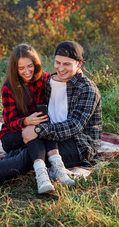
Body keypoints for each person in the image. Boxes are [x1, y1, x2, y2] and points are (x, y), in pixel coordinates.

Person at [0, 43, 75, 201]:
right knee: (37, 132)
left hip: (37, 134)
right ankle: (51, 170)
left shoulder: (45, 79)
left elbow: (61, 77)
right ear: (15, 69)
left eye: (30, 66)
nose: (27, 72)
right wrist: (27, 121)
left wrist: (76, 73)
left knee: (24, 156)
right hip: (12, 136)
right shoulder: (9, 87)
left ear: (35, 64)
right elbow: (10, 121)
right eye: (22, 68)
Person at [22, 40, 102, 173]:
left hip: (79, 145)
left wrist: (38, 130)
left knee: (25, 158)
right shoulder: (50, 82)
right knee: (20, 149)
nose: (61, 68)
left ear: (79, 64)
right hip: (52, 136)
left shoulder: (86, 89)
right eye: (58, 63)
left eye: (67, 64)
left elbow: (74, 125)